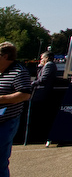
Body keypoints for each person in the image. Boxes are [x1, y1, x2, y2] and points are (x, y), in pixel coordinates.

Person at [0, 42, 32, 177]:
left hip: (6, 122)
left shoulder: (19, 71)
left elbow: (25, 94)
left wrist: (1, 99)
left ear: (5, 56)